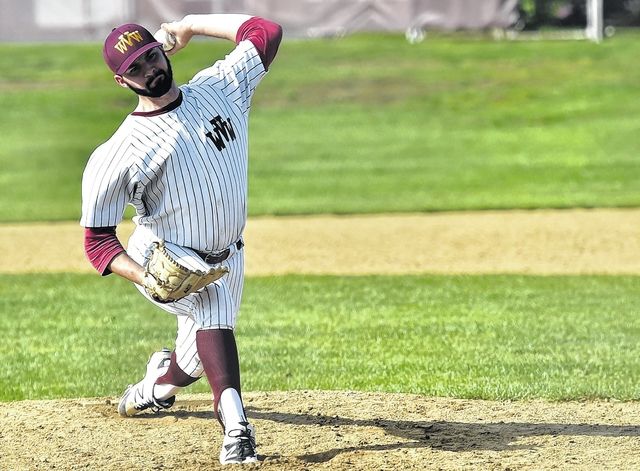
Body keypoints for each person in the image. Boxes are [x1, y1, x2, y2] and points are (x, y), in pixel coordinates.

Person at [80, 14, 282, 465]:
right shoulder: (119, 152)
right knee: (212, 314)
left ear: (162, 49)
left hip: (228, 258)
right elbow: (97, 240)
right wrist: (143, 276)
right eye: (136, 67)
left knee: (193, 360)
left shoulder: (220, 88)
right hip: (166, 262)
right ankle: (236, 427)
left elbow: (265, 32)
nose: (149, 69)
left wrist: (190, 24)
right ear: (121, 80)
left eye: (151, 55)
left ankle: (155, 387)